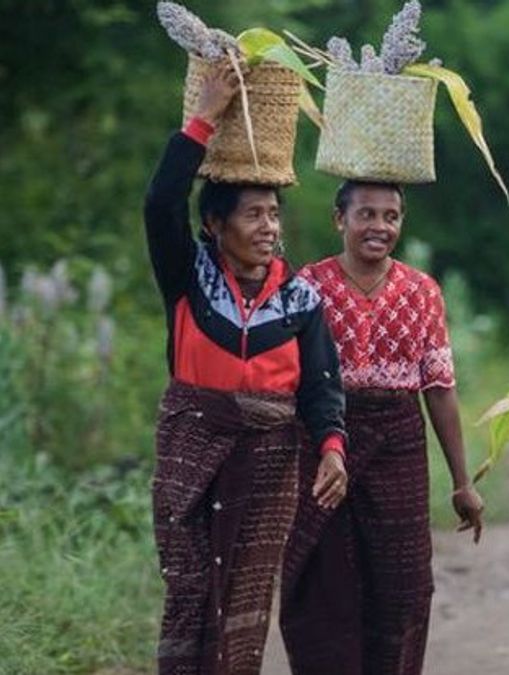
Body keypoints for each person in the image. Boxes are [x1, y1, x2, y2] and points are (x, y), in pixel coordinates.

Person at [144, 64, 348, 675]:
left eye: (274, 215)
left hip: (268, 466)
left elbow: (321, 386)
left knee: (245, 603)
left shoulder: (299, 300)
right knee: (188, 592)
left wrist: (333, 448)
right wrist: (202, 119)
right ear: (215, 225)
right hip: (192, 453)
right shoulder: (188, 280)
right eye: (254, 214)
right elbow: (160, 202)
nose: (269, 228)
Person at [280, 179, 486, 675]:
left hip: (399, 444)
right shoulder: (308, 287)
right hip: (324, 443)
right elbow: (289, 383)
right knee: (321, 582)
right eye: (365, 215)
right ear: (339, 220)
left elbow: (438, 387)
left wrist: (462, 482)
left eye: (390, 217)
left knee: (402, 585)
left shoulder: (422, 292)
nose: (379, 227)